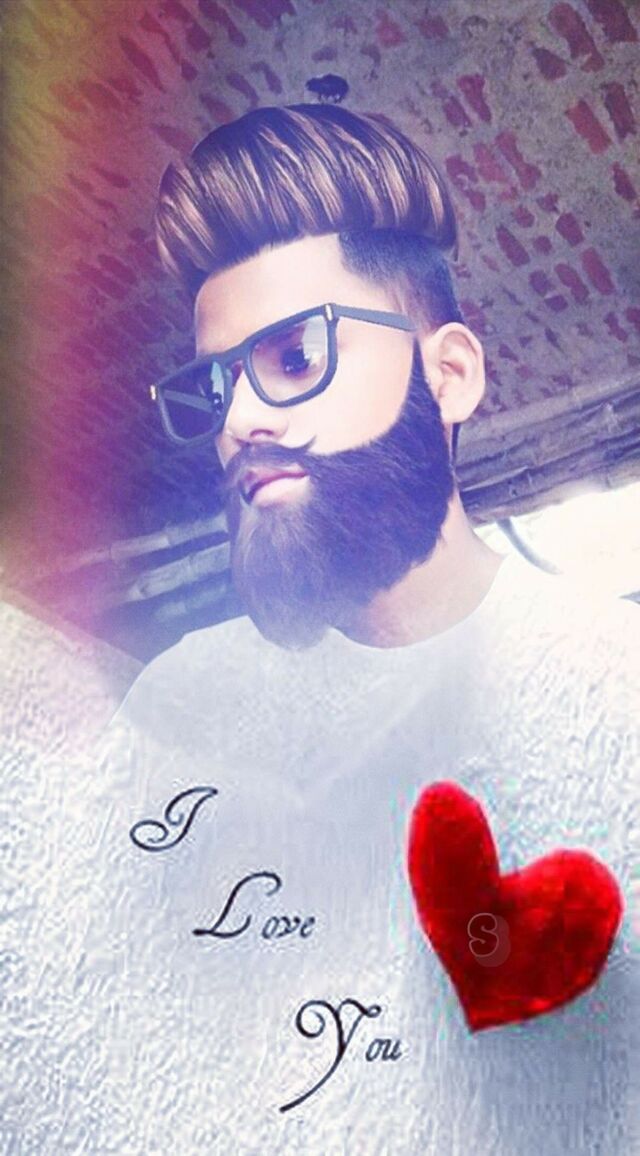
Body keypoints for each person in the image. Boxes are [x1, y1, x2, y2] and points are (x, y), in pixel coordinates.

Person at [11, 105, 638, 1154]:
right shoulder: (177, 705)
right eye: (217, 381)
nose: (237, 420)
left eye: (296, 353)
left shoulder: (612, 692)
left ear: (450, 375)